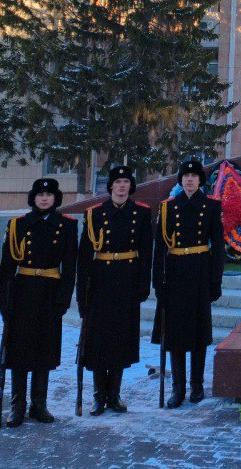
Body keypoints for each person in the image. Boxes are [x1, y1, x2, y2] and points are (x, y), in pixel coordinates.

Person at [0, 177, 78, 427]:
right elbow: (6, 267)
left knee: (45, 350)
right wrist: (4, 301)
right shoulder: (18, 225)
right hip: (22, 293)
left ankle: (39, 404)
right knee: (19, 351)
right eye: (40, 195)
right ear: (33, 198)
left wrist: (63, 300)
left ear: (56, 198)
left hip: (50, 294)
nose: (44, 199)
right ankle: (17, 405)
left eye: (49, 195)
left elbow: (70, 267)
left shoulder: (67, 225)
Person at [76, 166, 152, 416]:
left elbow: (146, 253)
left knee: (121, 339)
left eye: (126, 182)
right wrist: (82, 292)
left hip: (127, 280)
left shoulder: (141, 213)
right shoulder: (95, 214)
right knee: (99, 340)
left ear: (131, 186)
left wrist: (143, 285)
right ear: (110, 186)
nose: (121, 186)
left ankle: (114, 394)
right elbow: (84, 257)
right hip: (101, 282)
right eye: (117, 181)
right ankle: (99, 395)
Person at [153, 158, 226, 408]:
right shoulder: (168, 208)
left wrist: (216, 281)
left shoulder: (211, 206)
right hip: (175, 274)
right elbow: (159, 249)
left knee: (198, 332)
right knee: (175, 333)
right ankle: (178, 387)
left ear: (200, 181)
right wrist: (158, 282)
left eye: (194, 176)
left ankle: (197, 385)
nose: (190, 180)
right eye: (185, 176)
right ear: (181, 180)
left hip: (200, 273)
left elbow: (218, 247)